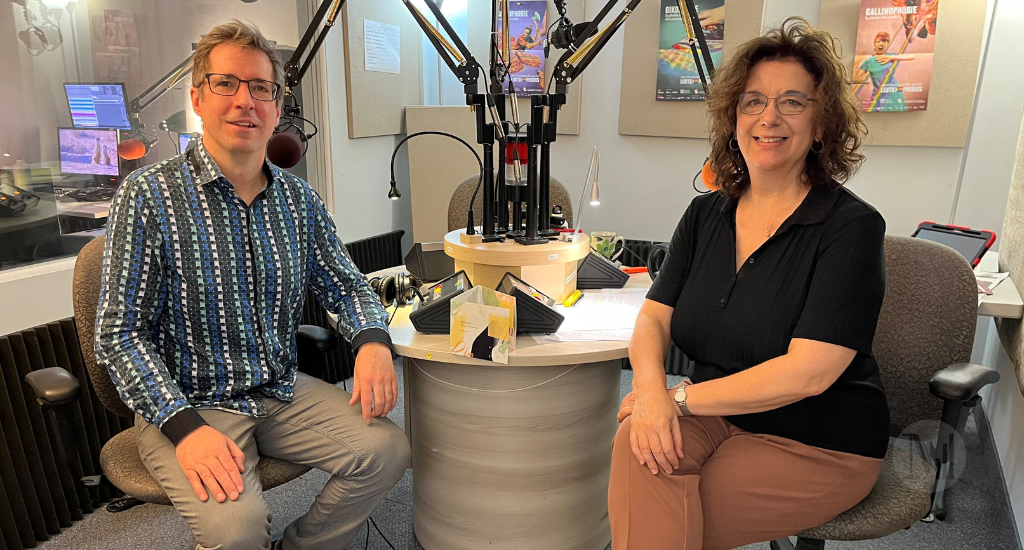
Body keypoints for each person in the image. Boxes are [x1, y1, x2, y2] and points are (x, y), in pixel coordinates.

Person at [95, 20, 410, 550]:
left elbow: (347, 285)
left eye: (261, 88)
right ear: (197, 98)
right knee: (237, 533)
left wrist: (373, 342)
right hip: (188, 402)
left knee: (388, 451)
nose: (245, 101)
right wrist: (184, 428)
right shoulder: (148, 196)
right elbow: (119, 335)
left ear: (277, 107)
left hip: (278, 390)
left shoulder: (299, 200)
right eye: (226, 83)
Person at [608, 17, 889, 549]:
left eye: (792, 102)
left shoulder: (851, 227)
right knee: (637, 449)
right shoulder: (705, 215)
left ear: (822, 124)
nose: (769, 117)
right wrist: (648, 394)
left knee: (660, 511)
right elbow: (653, 319)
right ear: (734, 118)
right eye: (753, 101)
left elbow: (808, 373)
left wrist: (676, 400)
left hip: (817, 439)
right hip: (717, 413)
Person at [853, 31, 914, 112]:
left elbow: (912, 56)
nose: (881, 43)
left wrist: (891, 58)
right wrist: (856, 63)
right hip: (878, 95)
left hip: (894, 94)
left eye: (884, 41)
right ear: (875, 44)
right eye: (878, 41)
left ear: (888, 44)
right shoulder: (869, 61)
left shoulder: (890, 56)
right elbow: (855, 79)